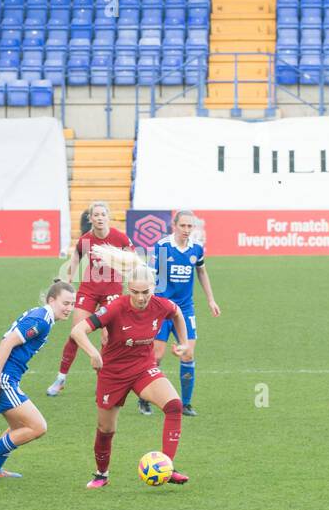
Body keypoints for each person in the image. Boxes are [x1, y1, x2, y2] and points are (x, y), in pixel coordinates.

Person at [68, 265, 191, 489]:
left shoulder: (160, 305)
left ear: (153, 289)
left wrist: (183, 343)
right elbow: (77, 331)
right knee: (106, 429)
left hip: (143, 368)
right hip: (113, 373)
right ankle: (101, 474)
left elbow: (177, 313)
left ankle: (167, 467)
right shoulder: (115, 308)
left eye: (146, 292)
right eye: (135, 292)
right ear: (128, 289)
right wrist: (94, 352)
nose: (141, 297)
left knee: (174, 405)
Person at [0, 281, 77, 483]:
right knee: (38, 427)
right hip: (3, 377)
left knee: (18, 426)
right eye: (65, 303)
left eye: (72, 304)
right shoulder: (41, 320)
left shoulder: (43, 317)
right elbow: (7, 342)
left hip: (5, 376)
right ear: (51, 300)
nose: (69, 308)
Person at [137, 210, 221, 418]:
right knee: (156, 356)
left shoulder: (196, 249)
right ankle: (144, 398)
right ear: (174, 225)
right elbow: (150, 275)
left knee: (188, 353)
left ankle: (186, 403)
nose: (186, 230)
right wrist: (144, 301)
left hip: (184, 309)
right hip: (161, 308)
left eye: (189, 226)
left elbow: (201, 271)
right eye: (182, 226)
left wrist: (210, 299)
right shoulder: (163, 247)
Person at [46, 201, 134, 397]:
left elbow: (133, 260)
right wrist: (67, 281)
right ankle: (61, 379)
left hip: (112, 292)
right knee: (75, 333)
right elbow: (76, 257)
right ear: (91, 218)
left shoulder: (119, 238)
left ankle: (103, 381)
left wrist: (130, 275)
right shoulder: (86, 240)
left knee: (107, 337)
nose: (100, 218)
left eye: (103, 214)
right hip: (89, 290)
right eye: (96, 215)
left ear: (108, 217)